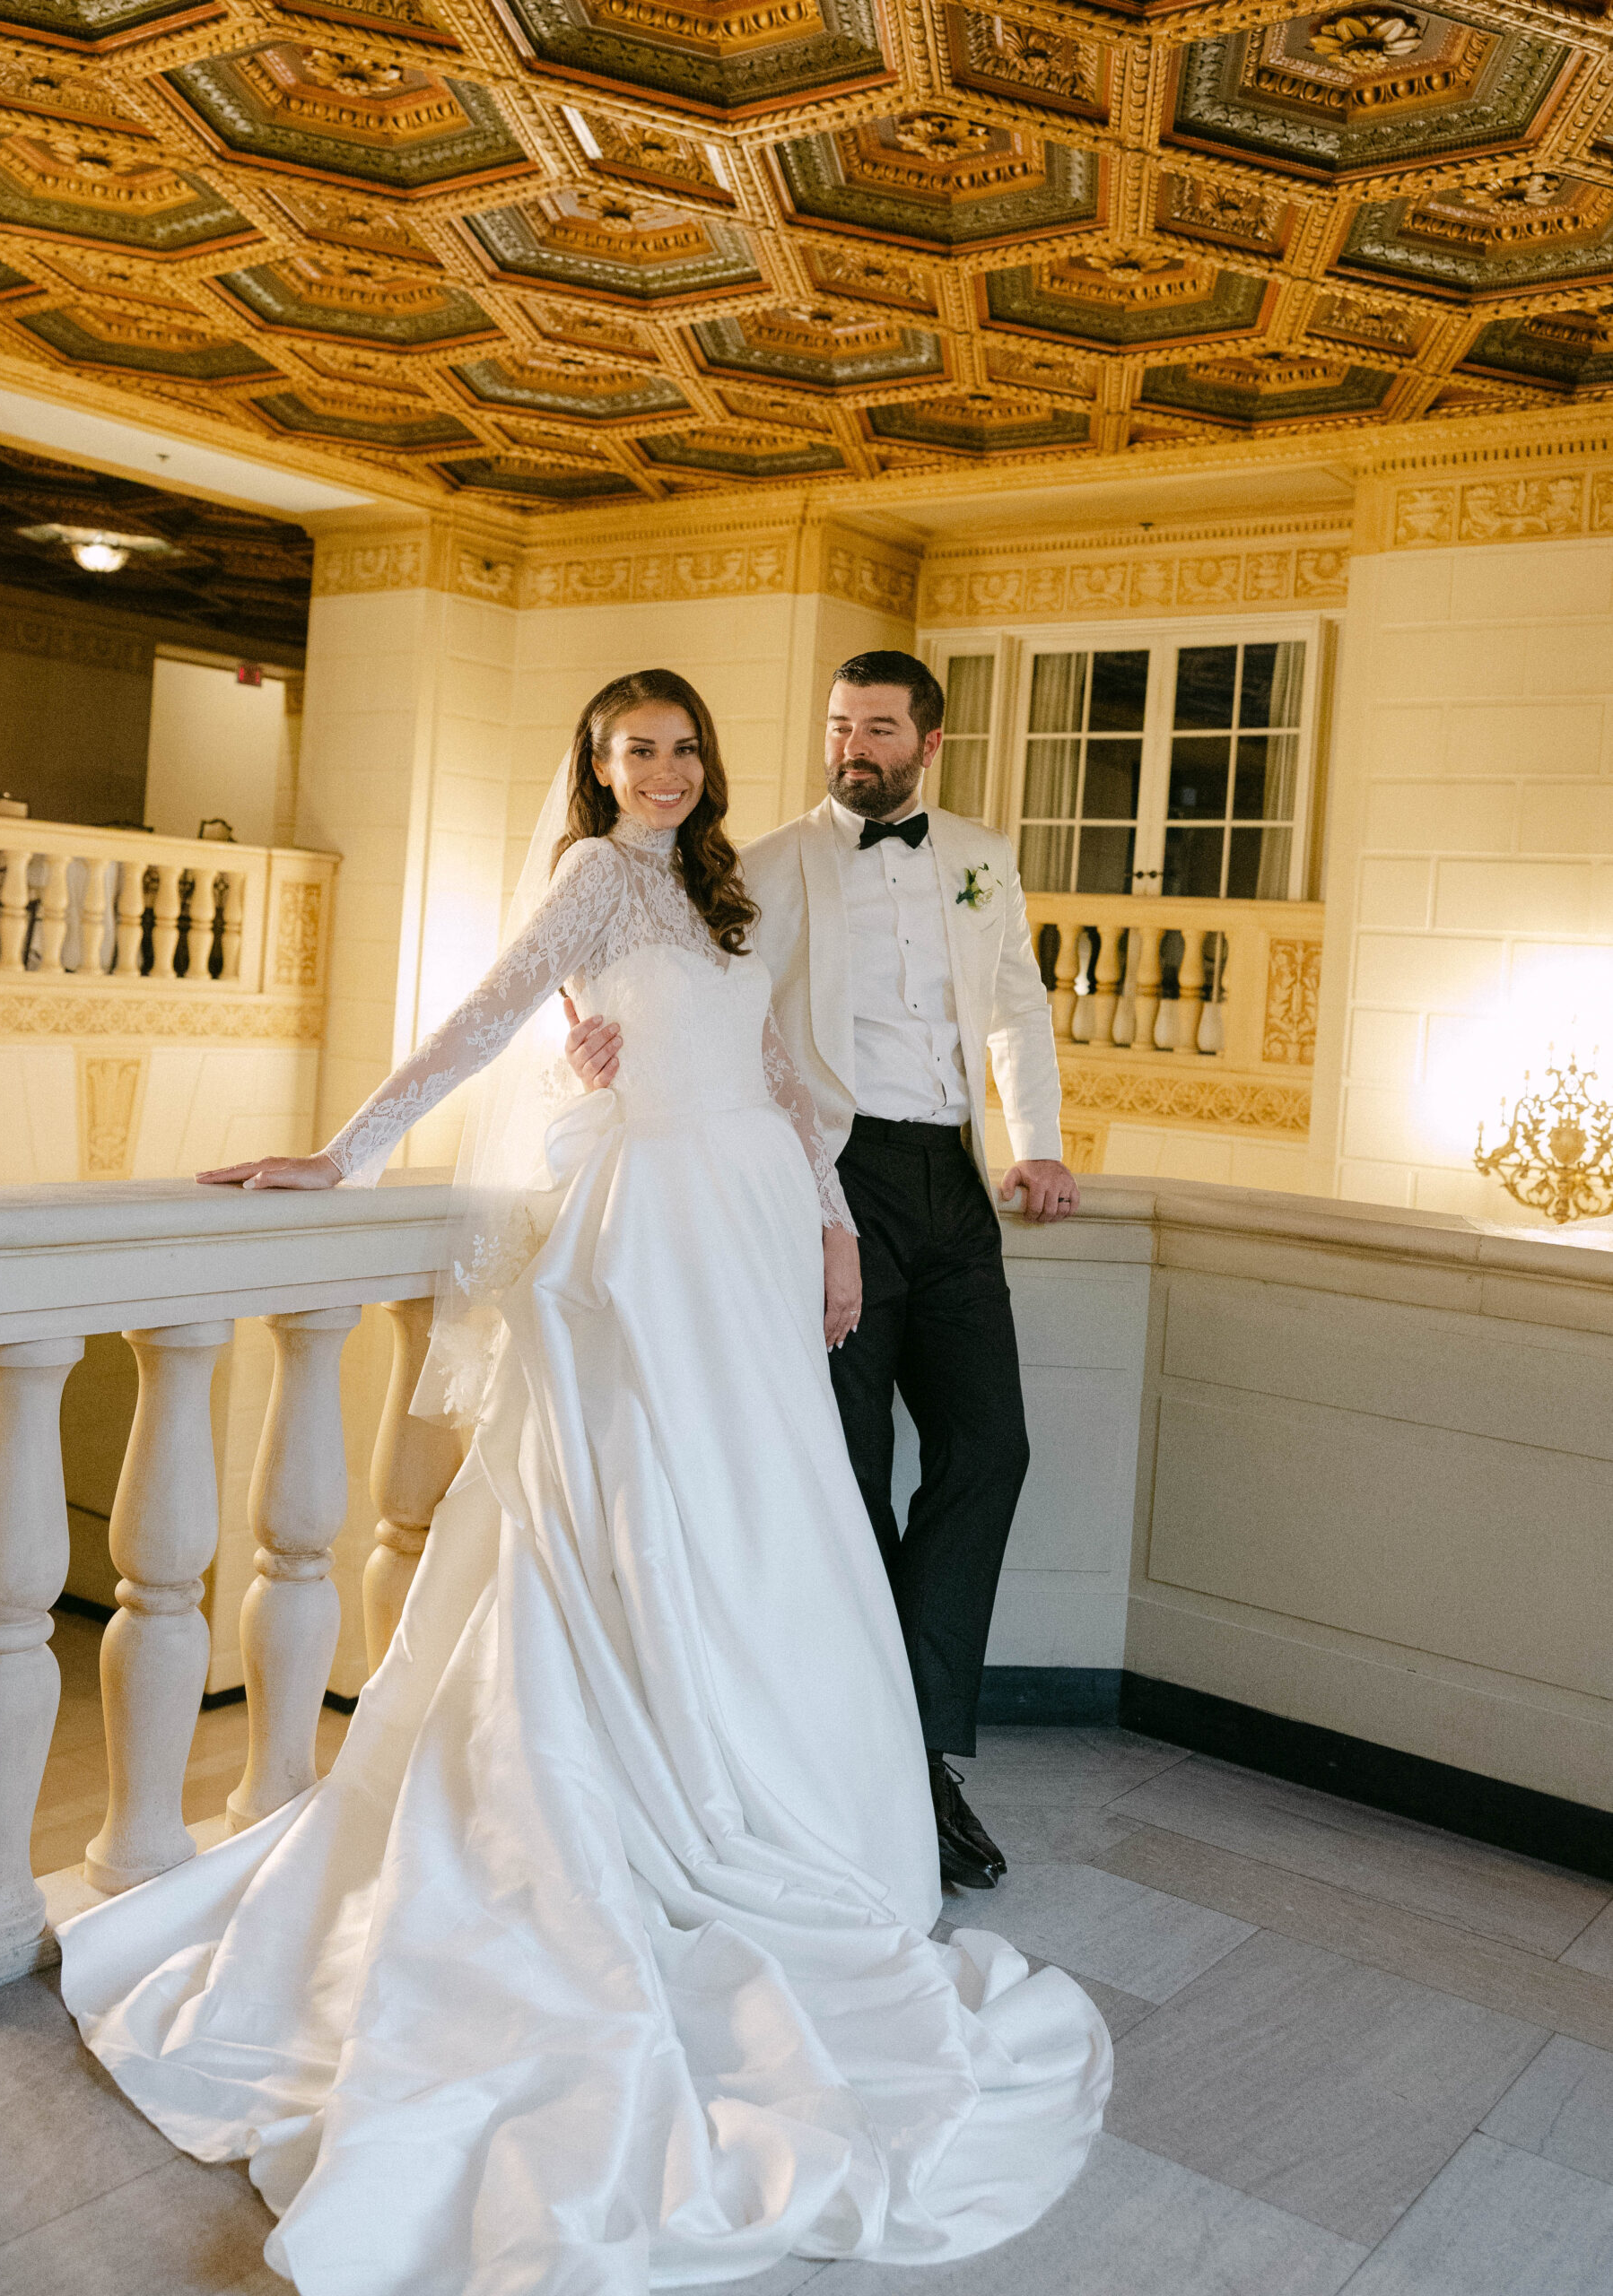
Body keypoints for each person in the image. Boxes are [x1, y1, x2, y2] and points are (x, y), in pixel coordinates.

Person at [56, 668, 1109, 2295]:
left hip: (759, 1216)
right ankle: (640, 1783)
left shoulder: (726, 886)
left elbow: (777, 1075)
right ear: (598, 765)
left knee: (775, 1514)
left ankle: (782, 1787)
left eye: (686, 749)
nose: (667, 772)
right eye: (639, 751)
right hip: (654, 1233)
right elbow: (480, 1017)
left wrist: (832, 1224)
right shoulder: (593, 878)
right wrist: (346, 1150)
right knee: (634, 1515)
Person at [566, 651, 1074, 1897]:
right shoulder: (773, 861)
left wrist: (1039, 1146)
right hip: (826, 1194)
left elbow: (1015, 1005)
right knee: (843, 1476)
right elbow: (686, 975)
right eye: (840, 725)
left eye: (880, 728)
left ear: (927, 743)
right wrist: (596, 1033)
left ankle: (914, 1738)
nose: (854, 744)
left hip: (953, 1185)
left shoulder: (983, 856)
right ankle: (877, 1772)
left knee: (989, 1448)